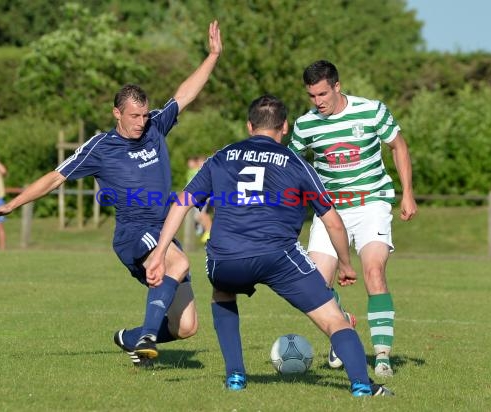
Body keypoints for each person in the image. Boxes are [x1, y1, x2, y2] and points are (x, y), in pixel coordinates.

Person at [0, 21, 222, 367]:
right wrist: (13, 204)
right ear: (116, 113)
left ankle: (130, 337)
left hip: (163, 228)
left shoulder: (155, 126)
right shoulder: (100, 147)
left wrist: (212, 55)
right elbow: (54, 178)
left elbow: (184, 94)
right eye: (134, 116)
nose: (141, 122)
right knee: (180, 261)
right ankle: (148, 341)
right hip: (134, 233)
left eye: (144, 114)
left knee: (186, 326)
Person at [147, 95, 393, 396]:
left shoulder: (222, 156)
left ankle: (236, 377)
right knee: (334, 320)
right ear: (285, 127)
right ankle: (362, 386)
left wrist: (160, 253)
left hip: (226, 258)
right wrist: (344, 263)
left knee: (223, 291)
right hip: (278, 256)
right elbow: (333, 222)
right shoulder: (296, 162)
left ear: (250, 126)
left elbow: (182, 202)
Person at [289, 60, 417, 377]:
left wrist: (407, 192)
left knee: (373, 271)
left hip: (371, 204)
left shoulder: (371, 111)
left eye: (322, 94)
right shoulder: (306, 125)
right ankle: (342, 323)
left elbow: (398, 146)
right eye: (311, 96)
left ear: (337, 86)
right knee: (316, 287)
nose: (318, 102)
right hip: (329, 210)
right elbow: (289, 166)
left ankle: (383, 357)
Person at [186, 155, 212, 244]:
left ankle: (208, 232)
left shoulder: (203, 170)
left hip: (204, 196)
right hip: (195, 197)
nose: (189, 164)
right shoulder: (191, 171)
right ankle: (203, 230)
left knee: (203, 214)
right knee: (197, 217)